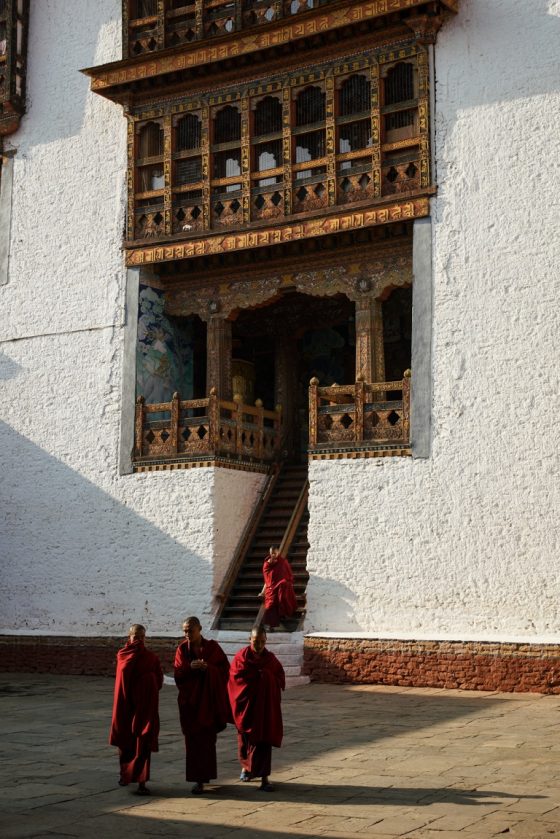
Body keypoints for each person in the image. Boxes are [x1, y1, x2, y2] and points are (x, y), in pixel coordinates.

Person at [174, 616, 231, 794]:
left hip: (208, 702)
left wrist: (209, 669)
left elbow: (225, 670)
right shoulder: (182, 649)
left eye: (190, 631)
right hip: (190, 703)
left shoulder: (212, 648)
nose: (187, 634)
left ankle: (204, 777)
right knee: (193, 742)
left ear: (199, 629)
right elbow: (178, 673)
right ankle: (197, 780)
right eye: (185, 631)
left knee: (207, 742)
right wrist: (190, 667)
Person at [228, 625, 285, 792]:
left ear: (266, 641)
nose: (258, 645)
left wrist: (266, 678)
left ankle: (264, 778)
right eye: (255, 641)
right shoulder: (241, 658)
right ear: (249, 640)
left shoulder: (270, 659)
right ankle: (246, 768)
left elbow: (279, 677)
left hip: (264, 708)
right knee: (246, 740)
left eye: (261, 641)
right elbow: (234, 680)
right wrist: (255, 678)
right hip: (247, 707)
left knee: (264, 743)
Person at [109, 623, 163, 796]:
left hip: (144, 706)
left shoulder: (151, 657)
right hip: (126, 705)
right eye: (135, 637)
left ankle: (141, 782)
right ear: (129, 637)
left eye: (142, 637)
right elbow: (123, 678)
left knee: (143, 743)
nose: (138, 640)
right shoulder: (123, 655)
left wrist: (148, 684)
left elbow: (159, 680)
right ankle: (125, 775)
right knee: (125, 742)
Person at [259, 546, 297, 630]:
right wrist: (269, 564)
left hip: (281, 586)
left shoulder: (283, 562)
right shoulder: (266, 563)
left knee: (283, 596)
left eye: (275, 553)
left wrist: (286, 581)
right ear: (270, 553)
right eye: (272, 553)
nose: (273, 555)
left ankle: (284, 615)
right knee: (271, 605)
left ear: (278, 552)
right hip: (271, 587)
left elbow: (288, 573)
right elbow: (266, 574)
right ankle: (271, 625)